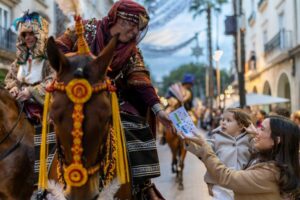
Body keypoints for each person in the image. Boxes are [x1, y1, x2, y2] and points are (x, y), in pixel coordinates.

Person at [55, 1, 172, 199]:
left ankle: (143, 184)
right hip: (75, 92)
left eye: (139, 28)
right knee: (49, 123)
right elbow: (58, 48)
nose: (136, 32)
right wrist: (77, 64)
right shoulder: (85, 27)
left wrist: (159, 110)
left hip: (113, 99)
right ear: (118, 19)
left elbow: (141, 80)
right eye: (133, 25)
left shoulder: (132, 52)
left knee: (135, 126)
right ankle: (39, 182)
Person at [181, 115, 300, 200]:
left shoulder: (269, 173)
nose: (257, 131)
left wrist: (204, 146)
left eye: (262, 129)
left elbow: (227, 177)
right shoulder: (273, 159)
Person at [4, 11, 56, 182]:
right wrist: (12, 88)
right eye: (24, 34)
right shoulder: (19, 60)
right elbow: (10, 78)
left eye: (31, 33)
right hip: (18, 103)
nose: (27, 37)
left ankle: (44, 174)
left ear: (40, 34)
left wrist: (31, 92)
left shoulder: (49, 59)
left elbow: (53, 80)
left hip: (42, 107)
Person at [205, 108, 254, 200]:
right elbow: (205, 151)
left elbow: (259, 152)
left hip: (242, 185)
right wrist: (191, 139)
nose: (223, 122)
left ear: (240, 126)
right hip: (220, 185)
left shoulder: (249, 139)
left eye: (228, 120)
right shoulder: (216, 137)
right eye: (223, 119)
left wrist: (255, 133)